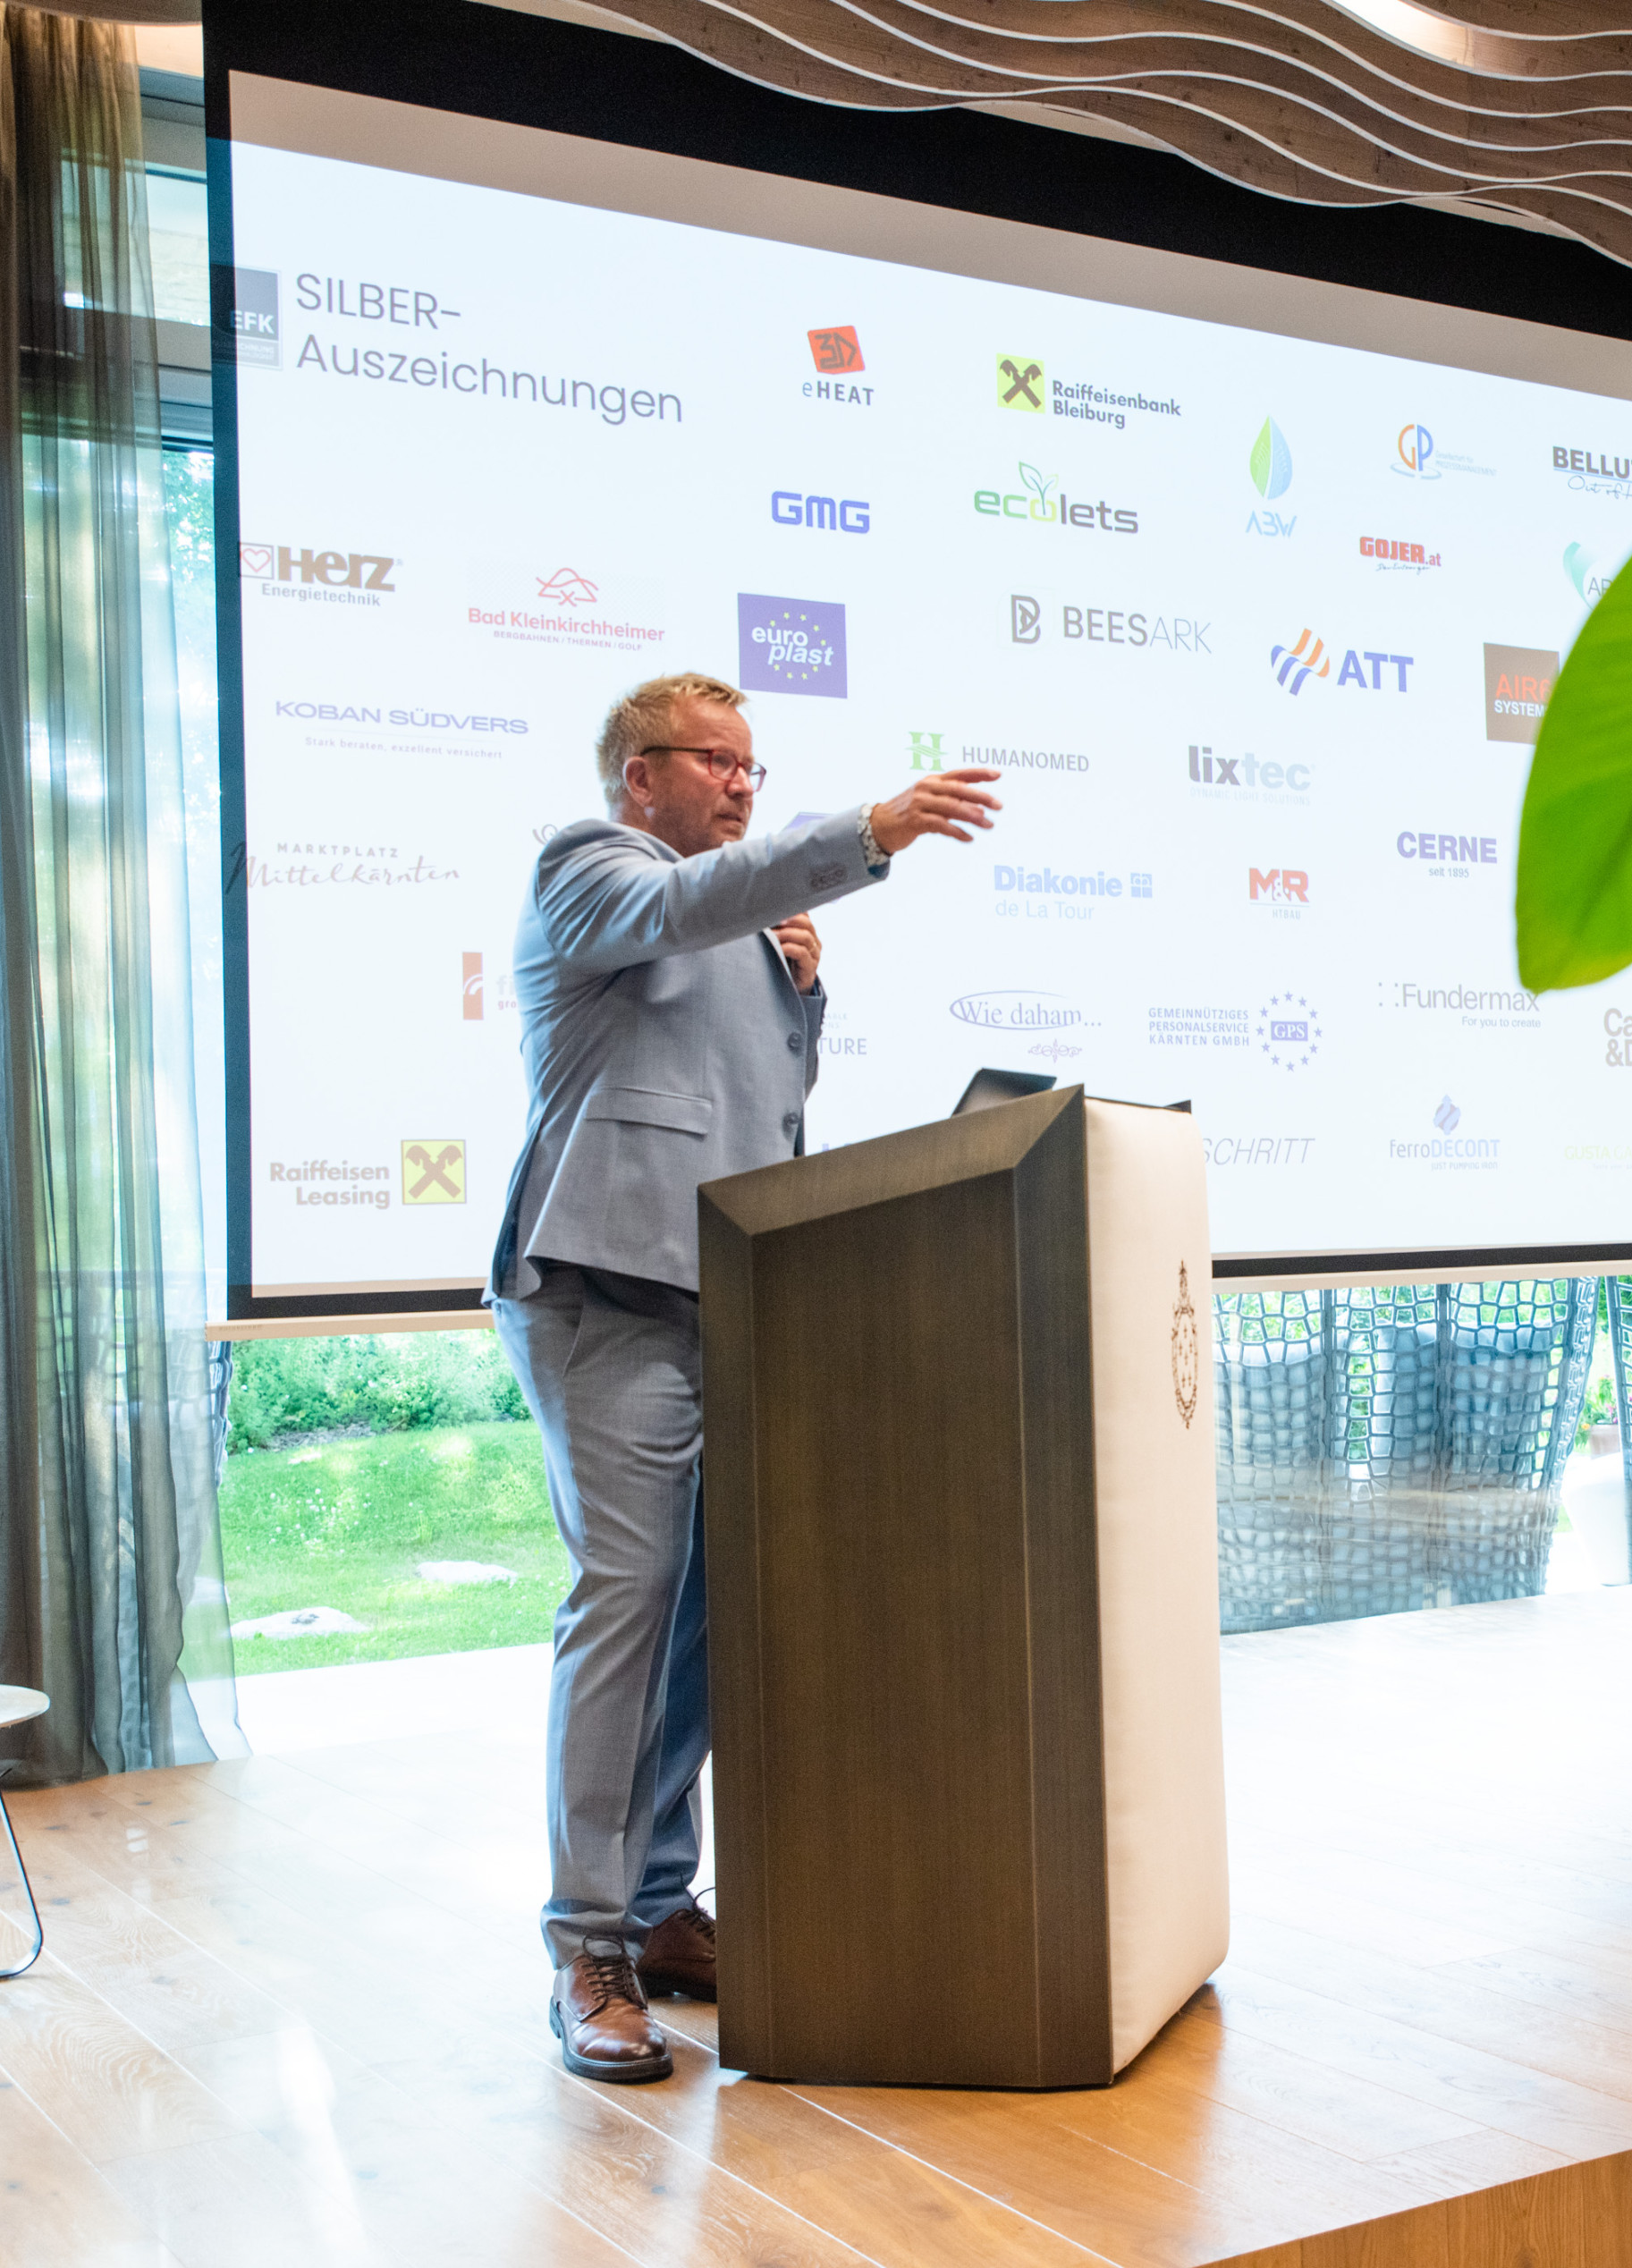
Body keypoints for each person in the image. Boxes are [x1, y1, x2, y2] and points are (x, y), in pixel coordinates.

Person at [491, 669, 1001, 2084]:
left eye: (750, 767)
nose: (738, 784)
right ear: (639, 775)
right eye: (712, 761)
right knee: (629, 1603)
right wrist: (868, 834)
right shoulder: (590, 868)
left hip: (734, 1301)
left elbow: (758, 1108)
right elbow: (677, 913)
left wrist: (805, 994)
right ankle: (588, 1944)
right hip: (606, 1293)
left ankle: (659, 1908)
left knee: (703, 1623)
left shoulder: (750, 927)